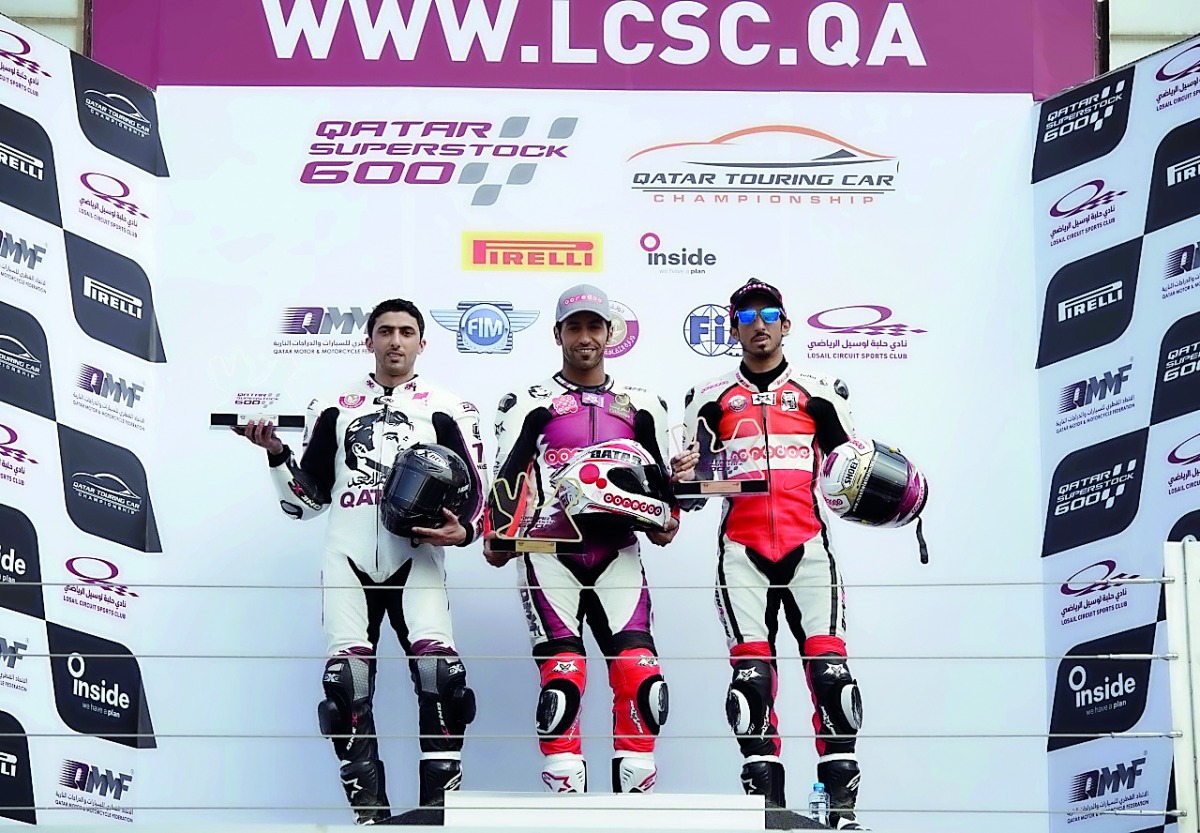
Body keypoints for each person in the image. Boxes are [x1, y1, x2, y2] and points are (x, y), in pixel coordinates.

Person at [239, 298, 487, 824]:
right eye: (385, 331)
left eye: (406, 332)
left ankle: (439, 812)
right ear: (368, 340)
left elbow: (476, 493)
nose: (395, 341)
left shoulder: (448, 407)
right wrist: (277, 456)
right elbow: (305, 502)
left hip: (416, 560)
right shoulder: (332, 406)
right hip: (346, 558)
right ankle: (370, 815)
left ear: (423, 342)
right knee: (346, 683)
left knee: (440, 674)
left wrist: (463, 531)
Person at [671, 279, 865, 830]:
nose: (759, 324)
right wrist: (687, 477)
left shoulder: (819, 392)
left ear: (786, 323)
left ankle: (842, 814)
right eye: (748, 316)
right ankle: (768, 813)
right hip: (742, 550)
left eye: (770, 313)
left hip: (808, 549)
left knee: (832, 676)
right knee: (751, 680)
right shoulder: (708, 398)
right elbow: (694, 494)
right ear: (732, 327)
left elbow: (852, 476)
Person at [482, 284, 679, 795]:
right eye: (575, 327)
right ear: (557, 334)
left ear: (611, 333)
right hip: (549, 555)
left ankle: (632, 811)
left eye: (595, 326)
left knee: (641, 679)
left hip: (618, 554)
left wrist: (667, 516)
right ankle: (567, 809)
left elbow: (664, 494)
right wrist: (497, 534)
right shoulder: (530, 402)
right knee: (562, 681)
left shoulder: (642, 405)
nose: (585, 337)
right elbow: (506, 473)